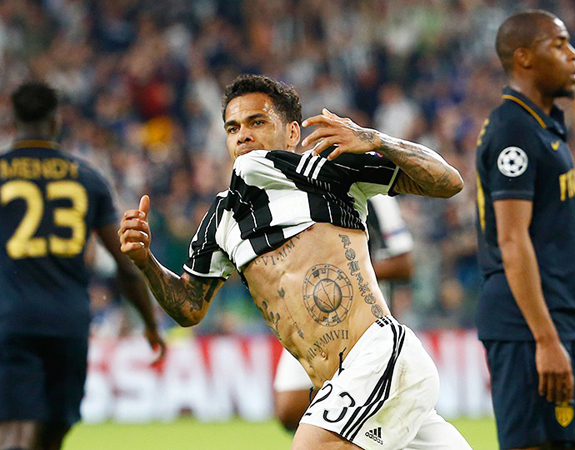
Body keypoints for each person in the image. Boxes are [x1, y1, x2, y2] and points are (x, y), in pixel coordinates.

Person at [119, 74, 471, 449]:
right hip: (341, 385)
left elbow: (448, 182)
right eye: (233, 128)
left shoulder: (328, 169)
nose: (243, 136)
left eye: (257, 122)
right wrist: (146, 262)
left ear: (291, 133)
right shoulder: (222, 218)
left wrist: (377, 140)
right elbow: (189, 307)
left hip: (377, 357)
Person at [0, 82, 166, 450]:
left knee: (14, 431)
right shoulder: (86, 178)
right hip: (67, 323)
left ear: (13, 121)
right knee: (52, 430)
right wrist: (150, 324)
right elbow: (125, 264)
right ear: (55, 122)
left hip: (10, 320)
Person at [475, 9, 575, 450]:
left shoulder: (542, 127)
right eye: (559, 44)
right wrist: (545, 339)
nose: (573, 53)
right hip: (526, 326)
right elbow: (511, 239)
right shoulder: (514, 130)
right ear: (524, 57)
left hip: (556, 320)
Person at [274, 193, 414, 431]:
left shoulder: (375, 197)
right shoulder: (296, 194)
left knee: (362, 409)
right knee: (289, 409)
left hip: (361, 320)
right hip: (312, 318)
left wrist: (342, 278)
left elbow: (403, 264)